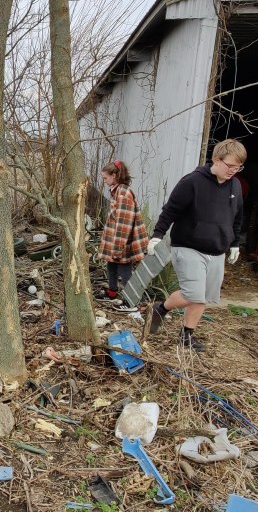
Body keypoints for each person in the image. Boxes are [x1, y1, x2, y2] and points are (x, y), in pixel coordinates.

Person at [146, 139, 247, 352]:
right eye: (230, 166)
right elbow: (170, 210)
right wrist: (157, 235)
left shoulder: (235, 186)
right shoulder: (192, 182)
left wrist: (235, 243)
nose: (233, 171)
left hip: (217, 250)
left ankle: (186, 335)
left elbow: (237, 217)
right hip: (188, 246)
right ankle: (161, 308)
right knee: (193, 293)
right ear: (216, 160)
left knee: (204, 298)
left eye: (238, 167)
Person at [95, 160, 149, 303]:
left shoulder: (123, 194)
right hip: (115, 240)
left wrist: (118, 247)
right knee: (111, 264)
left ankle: (136, 300)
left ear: (114, 176)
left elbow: (124, 224)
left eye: (105, 178)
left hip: (122, 241)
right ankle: (112, 293)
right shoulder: (117, 190)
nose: (104, 181)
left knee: (125, 271)